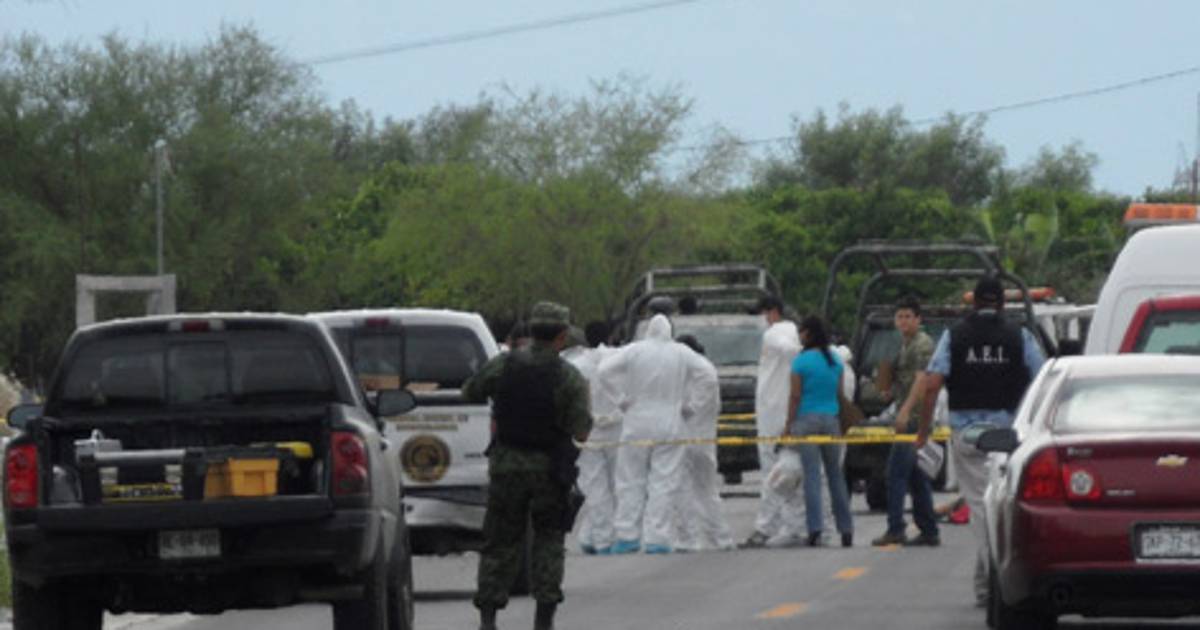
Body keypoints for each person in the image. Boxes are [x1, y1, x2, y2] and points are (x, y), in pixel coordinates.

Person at [915, 276, 1046, 607]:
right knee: (999, 508)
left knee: (980, 509)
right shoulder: (1019, 336)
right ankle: (990, 584)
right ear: (1002, 303)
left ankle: (992, 585)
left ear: (974, 302)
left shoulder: (954, 335)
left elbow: (931, 384)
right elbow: (1042, 380)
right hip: (1008, 437)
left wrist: (923, 431)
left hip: (968, 435)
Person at [463, 302, 593, 630]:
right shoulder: (569, 377)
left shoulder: (504, 365)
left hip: (506, 465)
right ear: (562, 336)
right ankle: (543, 619)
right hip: (549, 470)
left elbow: (471, 391)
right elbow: (581, 430)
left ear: (531, 332)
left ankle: (488, 618)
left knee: (499, 542)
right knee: (549, 541)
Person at [597, 313, 717, 555]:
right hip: (670, 423)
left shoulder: (634, 350)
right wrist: (692, 405)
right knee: (664, 481)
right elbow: (709, 376)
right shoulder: (681, 352)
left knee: (630, 480)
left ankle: (627, 535)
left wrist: (620, 399)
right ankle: (657, 537)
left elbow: (603, 370)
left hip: (636, 422)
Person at [871, 296, 939, 547]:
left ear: (918, 319)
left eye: (908, 316)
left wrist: (905, 411)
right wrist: (890, 393)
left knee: (895, 474)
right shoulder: (903, 344)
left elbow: (922, 380)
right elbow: (904, 379)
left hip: (914, 418)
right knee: (915, 476)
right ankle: (929, 529)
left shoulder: (922, 344)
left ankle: (896, 528)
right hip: (907, 412)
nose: (903, 321)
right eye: (899, 317)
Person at [783, 315, 854, 548]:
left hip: (806, 420)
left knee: (812, 476)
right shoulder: (835, 361)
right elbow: (839, 394)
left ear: (808, 334)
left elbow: (795, 396)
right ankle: (846, 529)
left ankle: (815, 529)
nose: (799, 336)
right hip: (831, 421)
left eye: (801, 332)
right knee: (835, 475)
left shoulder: (800, 362)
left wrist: (788, 425)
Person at [741, 296, 805, 548]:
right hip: (781, 411)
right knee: (789, 472)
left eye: (761, 314)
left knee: (774, 473)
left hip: (774, 414)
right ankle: (790, 525)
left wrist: (802, 354)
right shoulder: (790, 331)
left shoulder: (776, 332)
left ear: (773, 312)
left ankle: (767, 527)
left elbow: (790, 350)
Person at [563, 321, 622, 555]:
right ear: (611, 335)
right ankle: (614, 534)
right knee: (618, 484)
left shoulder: (576, 365)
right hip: (618, 429)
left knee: (594, 484)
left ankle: (599, 537)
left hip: (587, 431)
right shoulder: (620, 359)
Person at [673, 334, 735, 552]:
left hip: (686, 439)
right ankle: (721, 537)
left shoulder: (686, 373)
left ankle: (688, 538)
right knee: (708, 490)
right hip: (706, 440)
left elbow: (687, 408)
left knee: (683, 490)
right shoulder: (708, 370)